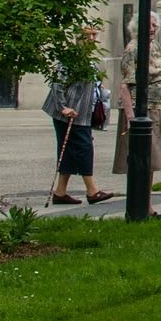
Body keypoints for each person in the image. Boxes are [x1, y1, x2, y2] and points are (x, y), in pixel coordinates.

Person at [43, 31, 113, 205]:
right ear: (78, 38)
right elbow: (57, 84)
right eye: (86, 36)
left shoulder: (88, 61)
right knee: (84, 148)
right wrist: (63, 107)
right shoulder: (70, 60)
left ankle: (60, 193)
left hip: (81, 114)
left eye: (93, 36)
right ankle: (92, 191)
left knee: (68, 151)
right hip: (69, 114)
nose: (91, 39)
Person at [112, 14, 161, 181]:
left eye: (154, 25)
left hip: (155, 106)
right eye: (148, 25)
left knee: (152, 159)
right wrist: (131, 118)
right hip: (138, 109)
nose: (152, 29)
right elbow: (125, 85)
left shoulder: (155, 46)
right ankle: (139, 201)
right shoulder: (133, 48)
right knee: (140, 155)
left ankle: (147, 200)